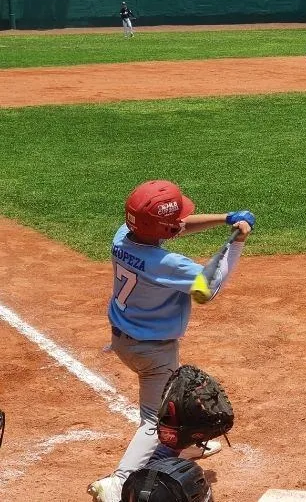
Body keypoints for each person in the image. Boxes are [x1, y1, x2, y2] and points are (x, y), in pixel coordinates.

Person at [87, 179, 254, 502]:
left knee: (164, 402)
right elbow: (209, 288)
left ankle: (182, 447)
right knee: (153, 418)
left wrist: (226, 218)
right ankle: (118, 482)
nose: (180, 222)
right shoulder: (166, 265)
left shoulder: (123, 237)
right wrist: (237, 242)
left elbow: (173, 227)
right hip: (153, 352)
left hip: (124, 340)